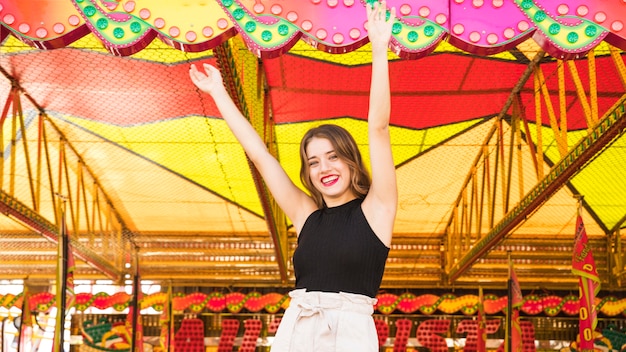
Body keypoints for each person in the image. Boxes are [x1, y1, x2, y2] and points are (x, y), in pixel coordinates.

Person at [189, 1, 397, 350]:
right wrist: (218, 92)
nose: (324, 168)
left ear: (350, 161)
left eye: (332, 157)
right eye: (313, 162)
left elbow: (378, 127)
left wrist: (379, 49)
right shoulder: (306, 216)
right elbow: (259, 155)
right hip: (297, 329)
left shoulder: (377, 209)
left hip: (349, 336)